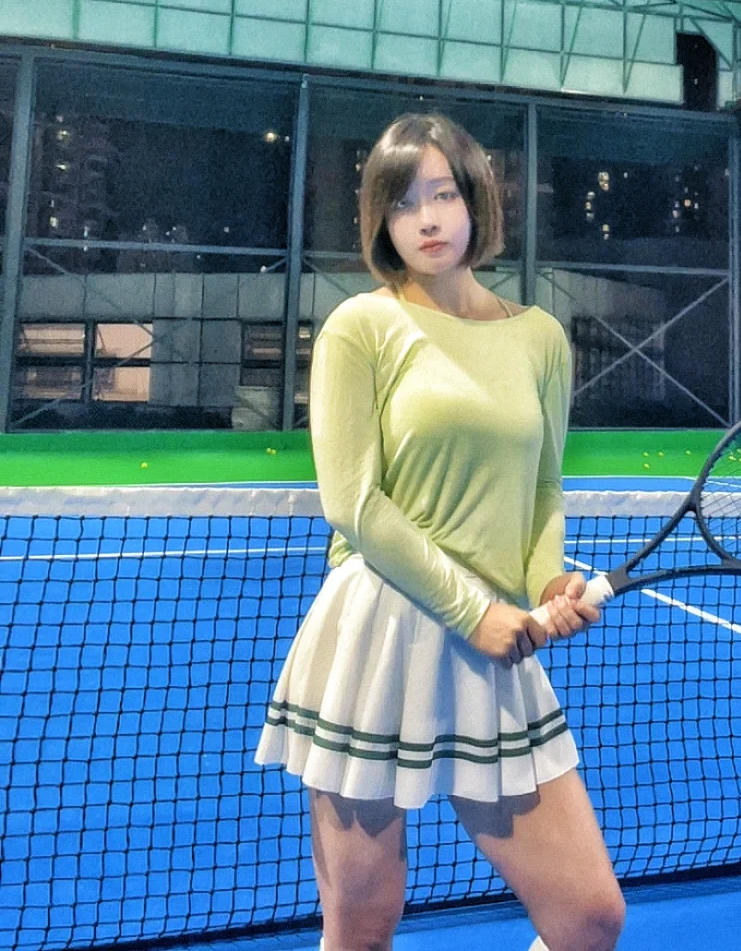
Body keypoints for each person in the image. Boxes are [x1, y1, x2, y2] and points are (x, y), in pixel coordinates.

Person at [255, 112, 625, 951]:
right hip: (377, 639)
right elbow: (355, 504)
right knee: (362, 925)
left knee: (589, 918)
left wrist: (546, 582)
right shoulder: (360, 327)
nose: (426, 219)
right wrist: (475, 612)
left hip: (490, 649)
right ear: (380, 222)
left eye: (443, 194)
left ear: (476, 201)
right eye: (402, 203)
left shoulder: (540, 337)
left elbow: (543, 486)